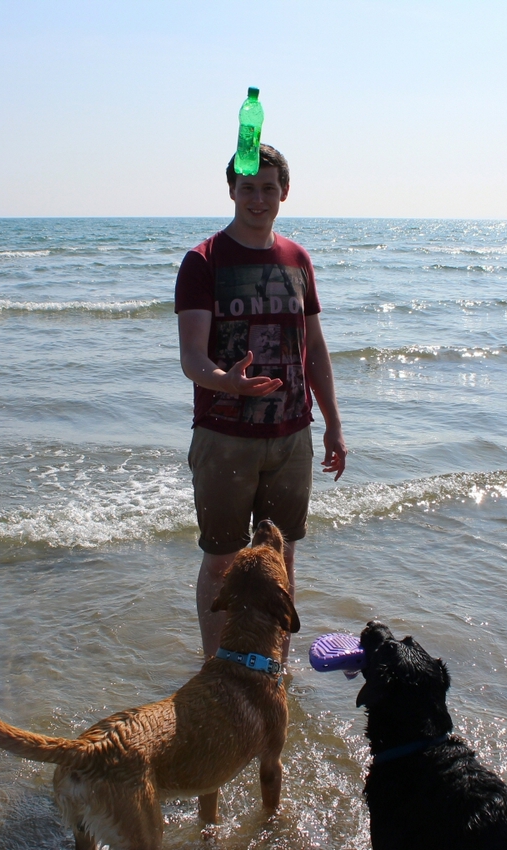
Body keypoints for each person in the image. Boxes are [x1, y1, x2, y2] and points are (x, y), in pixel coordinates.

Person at [175, 143, 346, 661]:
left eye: (268, 188)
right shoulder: (203, 261)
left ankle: (272, 668)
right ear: (231, 191)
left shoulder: (298, 260)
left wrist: (334, 425)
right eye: (247, 188)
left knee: (282, 559)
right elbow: (191, 358)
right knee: (221, 562)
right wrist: (227, 383)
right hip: (225, 438)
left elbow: (314, 348)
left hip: (291, 435)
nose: (257, 198)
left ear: (284, 193)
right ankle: (215, 666)